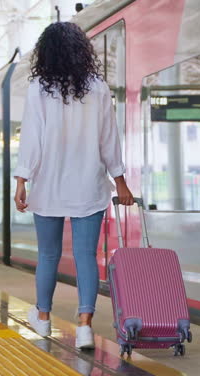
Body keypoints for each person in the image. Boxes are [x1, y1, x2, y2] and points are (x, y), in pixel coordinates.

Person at [13, 22, 134, 350]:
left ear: (46, 53)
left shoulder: (38, 88)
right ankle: (84, 326)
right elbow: (109, 139)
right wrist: (120, 181)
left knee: (48, 255)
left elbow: (32, 140)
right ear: (82, 51)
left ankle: (43, 318)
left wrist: (22, 180)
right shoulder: (97, 88)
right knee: (85, 257)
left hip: (49, 185)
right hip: (88, 185)